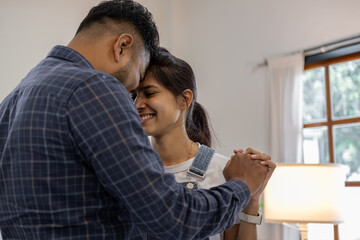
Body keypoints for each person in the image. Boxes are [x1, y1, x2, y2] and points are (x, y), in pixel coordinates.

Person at [0, 0, 269, 239]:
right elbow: (172, 218)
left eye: (147, 90)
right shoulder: (94, 88)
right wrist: (242, 185)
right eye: (137, 80)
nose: (132, 97)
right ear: (122, 46)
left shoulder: (11, 102)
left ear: (185, 99)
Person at [132, 47, 276, 240]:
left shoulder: (223, 170)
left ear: (184, 100)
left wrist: (252, 198)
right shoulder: (129, 165)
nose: (137, 104)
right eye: (134, 95)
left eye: (149, 93)